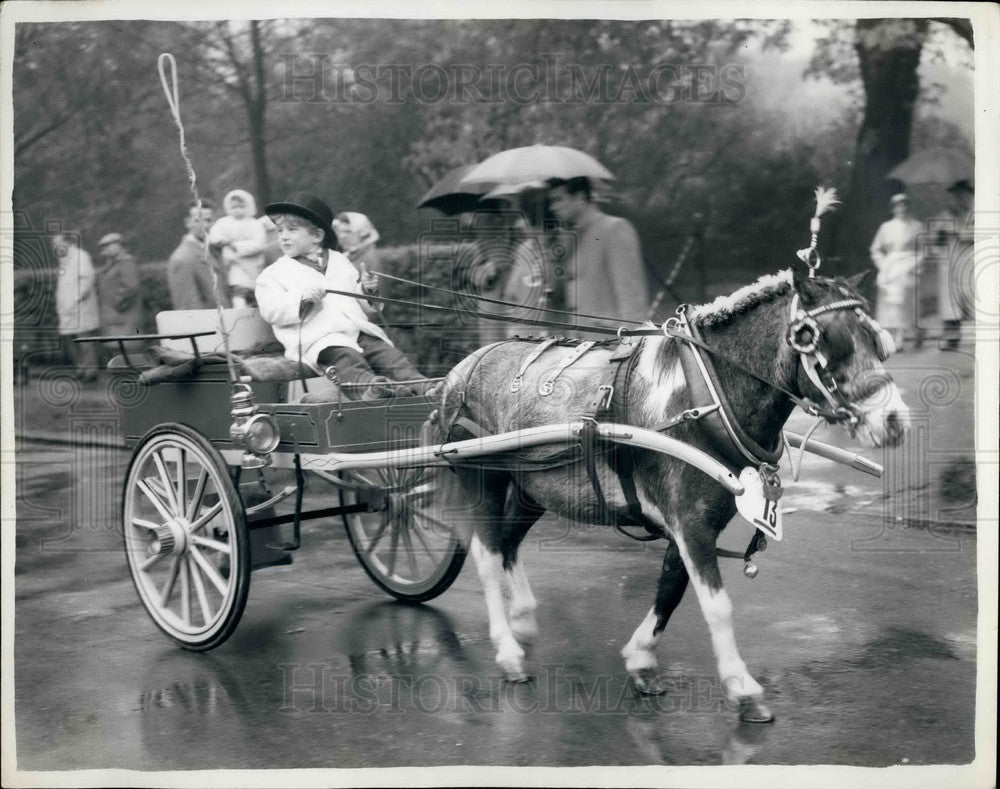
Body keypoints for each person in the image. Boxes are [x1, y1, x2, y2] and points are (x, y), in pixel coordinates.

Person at [255, 193, 429, 400]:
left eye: (292, 230)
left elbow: (358, 301)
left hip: (356, 330)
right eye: (280, 230)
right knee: (347, 358)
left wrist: (367, 290)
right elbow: (271, 310)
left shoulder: (339, 261)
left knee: (387, 354)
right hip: (320, 339)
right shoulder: (272, 275)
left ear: (317, 236)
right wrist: (302, 299)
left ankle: (421, 386)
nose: (283, 236)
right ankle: (371, 389)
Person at [546, 176, 650, 337]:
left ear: (580, 198)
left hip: (610, 346)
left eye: (559, 199)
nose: (553, 207)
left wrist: (631, 348)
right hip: (577, 350)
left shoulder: (614, 229)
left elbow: (632, 301)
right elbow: (557, 300)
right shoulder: (569, 239)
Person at [869, 193, 924, 351]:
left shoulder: (917, 226)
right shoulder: (886, 228)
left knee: (907, 301)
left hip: (909, 266)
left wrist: (914, 264)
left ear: (908, 207)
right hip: (891, 267)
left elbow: (923, 250)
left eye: (904, 205)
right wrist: (883, 264)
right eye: (898, 206)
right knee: (890, 302)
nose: (901, 209)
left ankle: (913, 332)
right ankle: (894, 337)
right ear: (893, 209)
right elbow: (875, 249)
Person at [51, 230, 100, 381]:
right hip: (66, 310)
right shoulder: (63, 261)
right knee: (70, 341)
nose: (55, 247)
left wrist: (75, 299)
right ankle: (80, 369)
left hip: (80, 308)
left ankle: (90, 371)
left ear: (68, 243)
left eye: (58, 243)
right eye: (54, 244)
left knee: (84, 340)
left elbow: (86, 280)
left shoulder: (81, 256)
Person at [207, 189, 267, 308]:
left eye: (240, 206)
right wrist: (223, 242)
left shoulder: (255, 224)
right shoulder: (224, 222)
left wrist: (236, 246)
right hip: (233, 265)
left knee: (255, 293)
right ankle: (239, 312)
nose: (237, 210)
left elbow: (259, 244)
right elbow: (213, 236)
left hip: (253, 263)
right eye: (233, 207)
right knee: (238, 291)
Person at [167, 200, 230, 310]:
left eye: (209, 220)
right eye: (198, 220)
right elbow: (188, 307)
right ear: (187, 222)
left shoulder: (215, 250)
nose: (205, 225)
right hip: (208, 325)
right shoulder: (182, 258)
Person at [935, 180, 974, 350]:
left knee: (969, 296)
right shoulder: (946, 215)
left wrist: (958, 231)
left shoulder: (974, 214)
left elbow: (975, 235)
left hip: (968, 259)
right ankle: (951, 336)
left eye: (962, 194)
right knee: (949, 300)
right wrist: (941, 233)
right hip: (949, 261)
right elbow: (936, 240)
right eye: (955, 195)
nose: (958, 198)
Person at [95, 232, 142, 357]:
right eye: (103, 247)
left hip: (123, 320)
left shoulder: (127, 263)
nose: (104, 250)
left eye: (107, 246)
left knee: (128, 356)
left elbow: (131, 287)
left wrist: (117, 305)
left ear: (119, 246)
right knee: (118, 356)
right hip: (115, 320)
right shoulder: (112, 264)